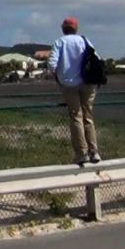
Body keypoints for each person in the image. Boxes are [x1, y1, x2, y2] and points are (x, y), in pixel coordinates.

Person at [48, 17, 101, 166]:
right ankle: (94, 151)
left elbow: (52, 64)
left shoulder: (60, 42)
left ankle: (81, 153)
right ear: (76, 28)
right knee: (88, 117)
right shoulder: (84, 40)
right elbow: (96, 58)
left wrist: (58, 75)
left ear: (63, 29)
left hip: (69, 84)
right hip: (88, 84)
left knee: (76, 117)